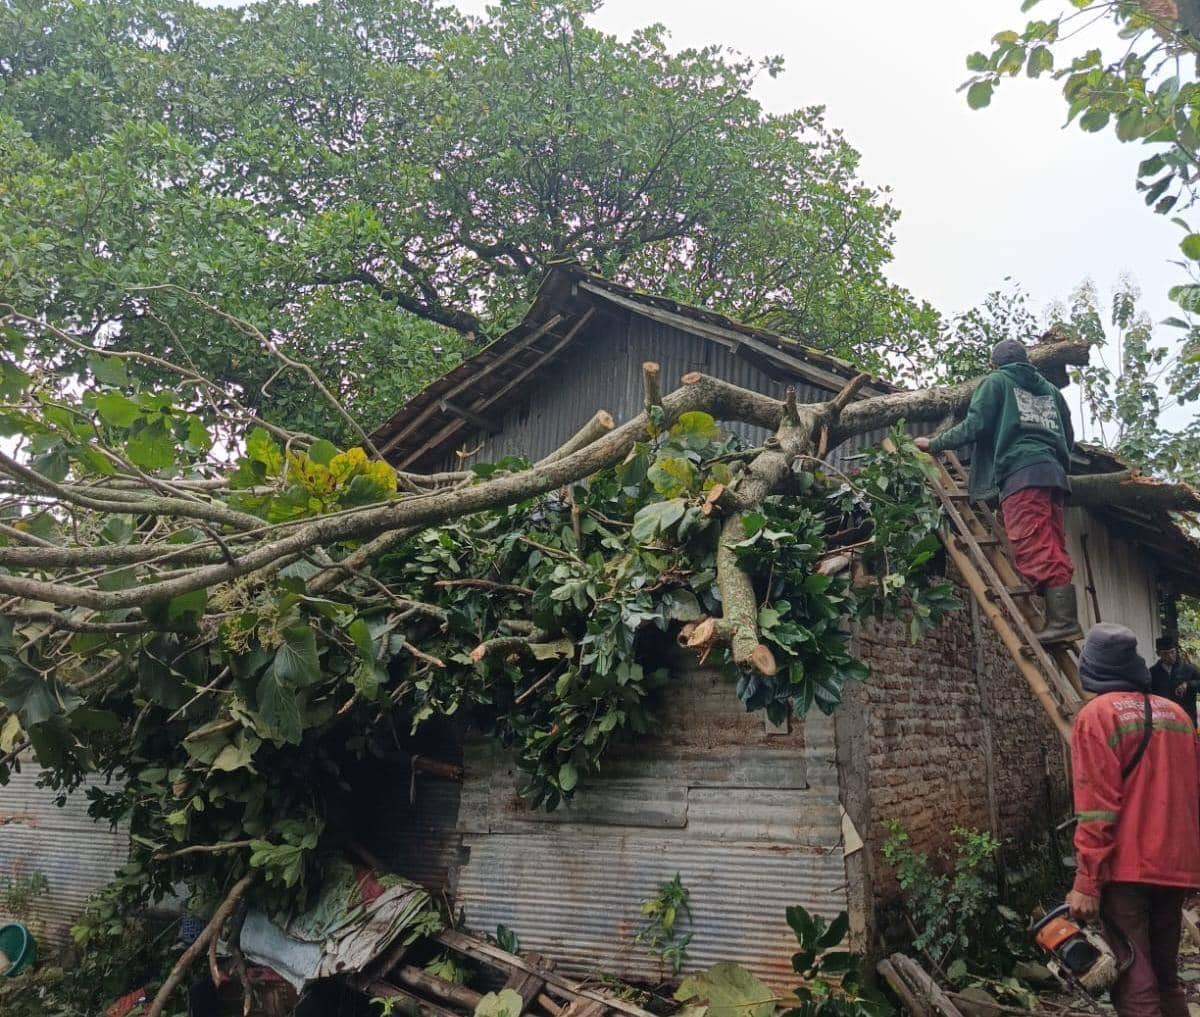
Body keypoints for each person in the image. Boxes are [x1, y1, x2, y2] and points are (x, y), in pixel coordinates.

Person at [1067, 623, 1200, 1017]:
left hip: (1128, 870)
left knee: (1134, 982)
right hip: (1175, 866)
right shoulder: (1176, 713)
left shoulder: (1097, 717)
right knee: (1166, 977)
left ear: (1091, 668)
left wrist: (1086, 881)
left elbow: (1097, 808)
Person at [914, 339, 1080, 644]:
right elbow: (1067, 438)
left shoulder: (997, 381)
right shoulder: (1052, 392)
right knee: (1052, 542)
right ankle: (1062, 618)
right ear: (1028, 362)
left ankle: (1063, 621)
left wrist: (934, 443)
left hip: (1022, 474)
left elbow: (975, 425)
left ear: (994, 364)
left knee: (1033, 544)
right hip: (1053, 476)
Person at [1149, 636, 1200, 729]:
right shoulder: (1153, 672)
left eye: (1172, 652)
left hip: (1186, 717)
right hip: (1164, 719)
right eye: (1165, 653)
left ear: (1176, 651)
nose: (1170, 656)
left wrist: (1188, 685)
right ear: (1158, 654)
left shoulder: (1189, 669)